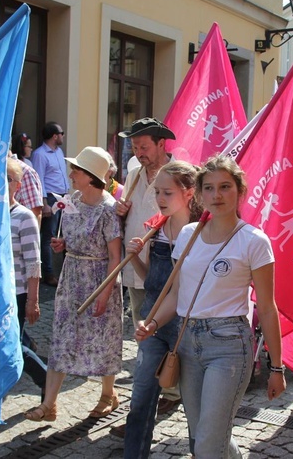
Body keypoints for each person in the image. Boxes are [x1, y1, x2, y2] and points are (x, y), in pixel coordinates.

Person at [136, 155, 286, 458]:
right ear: (200, 194)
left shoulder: (254, 241)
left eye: (225, 187)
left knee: (207, 442)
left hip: (229, 345)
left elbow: (268, 308)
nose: (217, 195)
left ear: (240, 191)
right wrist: (153, 324)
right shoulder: (189, 235)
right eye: (210, 188)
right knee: (204, 433)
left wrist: (277, 368)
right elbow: (177, 296)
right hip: (187, 341)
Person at [23, 146, 123, 422]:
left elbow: (115, 256)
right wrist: (63, 245)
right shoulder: (72, 200)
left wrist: (104, 293)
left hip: (99, 279)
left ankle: (108, 394)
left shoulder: (109, 209)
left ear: (91, 177)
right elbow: (72, 240)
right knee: (62, 340)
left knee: (104, 339)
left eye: (76, 170)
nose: (71, 174)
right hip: (71, 278)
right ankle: (49, 405)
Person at [112, 161, 201, 457]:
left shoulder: (201, 231)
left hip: (187, 324)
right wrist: (134, 256)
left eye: (167, 193)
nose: (160, 199)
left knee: (195, 404)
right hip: (152, 318)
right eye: (158, 193)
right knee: (141, 397)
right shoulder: (156, 229)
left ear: (189, 193)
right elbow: (153, 278)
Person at [117, 117, 181, 415]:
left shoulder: (177, 175)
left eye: (143, 146)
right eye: (134, 146)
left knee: (165, 331)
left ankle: (169, 389)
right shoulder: (133, 174)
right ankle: (150, 391)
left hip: (163, 267)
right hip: (134, 265)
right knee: (142, 332)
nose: (138, 151)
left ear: (160, 144)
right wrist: (119, 212)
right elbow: (128, 215)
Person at [6, 158, 46, 400]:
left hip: (18, 292)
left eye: (8, 179)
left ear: (18, 186)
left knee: (13, 344)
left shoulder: (24, 216)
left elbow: (33, 262)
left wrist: (33, 300)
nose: (1, 182)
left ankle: (45, 379)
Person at [31, 122, 70, 287]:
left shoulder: (59, 152)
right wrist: (44, 202)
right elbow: (39, 178)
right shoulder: (40, 154)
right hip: (51, 199)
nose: (62, 136)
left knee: (65, 233)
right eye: (61, 133)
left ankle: (65, 271)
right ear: (55, 136)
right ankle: (48, 273)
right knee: (49, 236)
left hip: (64, 197)